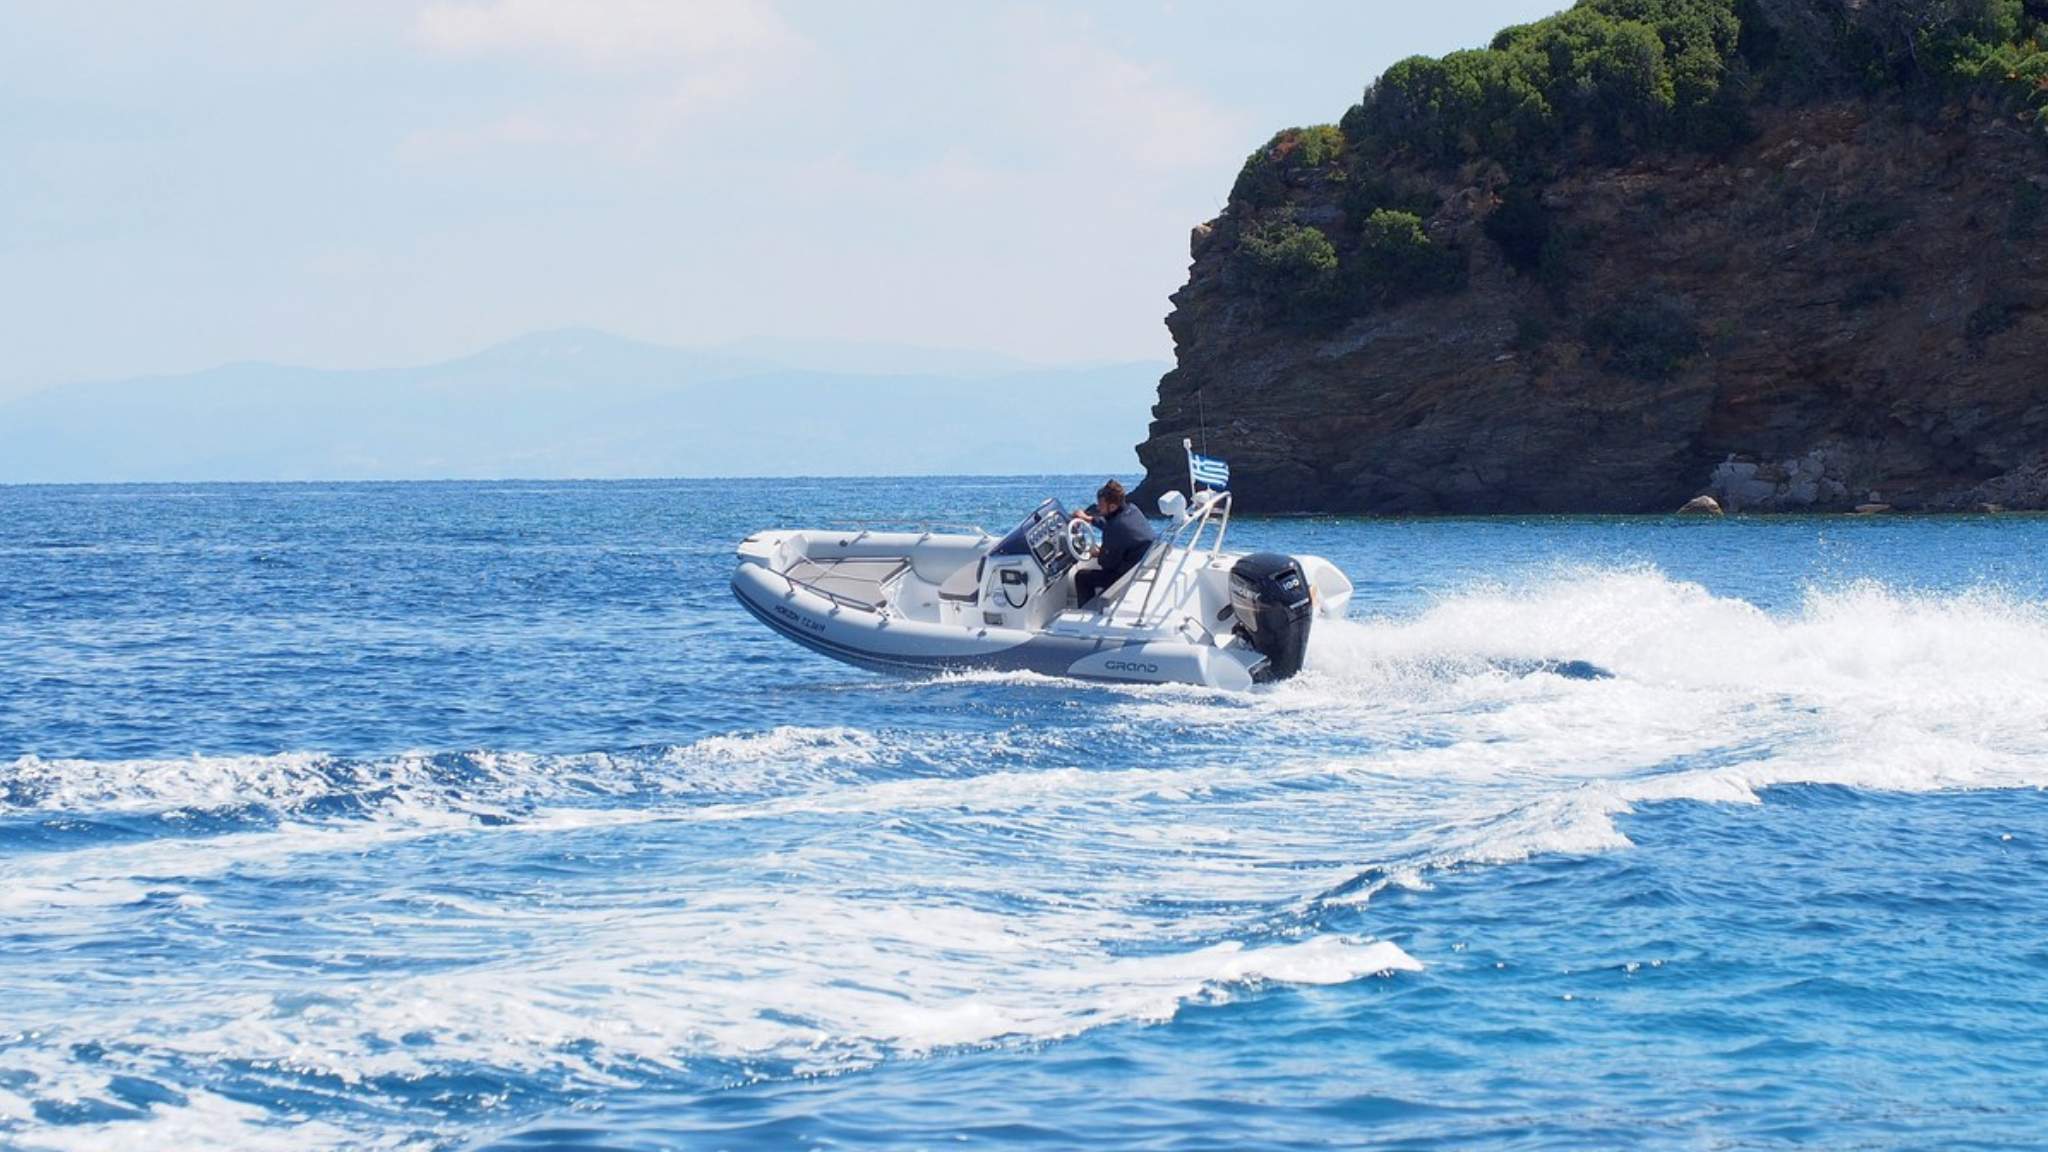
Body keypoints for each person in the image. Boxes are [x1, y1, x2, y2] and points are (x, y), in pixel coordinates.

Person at [1072, 479, 1156, 608]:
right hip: (1141, 565)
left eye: (1101, 505)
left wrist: (1097, 554)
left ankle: (1085, 611)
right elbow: (1111, 523)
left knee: (1082, 577)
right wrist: (1089, 519)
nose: (1098, 507)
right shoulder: (1133, 510)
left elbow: (1107, 563)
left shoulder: (1115, 528)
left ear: (1112, 506)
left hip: (1126, 577)